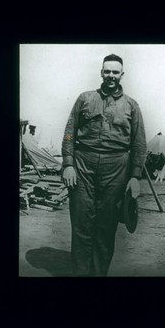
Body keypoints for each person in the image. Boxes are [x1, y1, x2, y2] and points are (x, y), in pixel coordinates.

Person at [61, 54, 147, 277]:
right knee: (81, 225)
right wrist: (68, 164)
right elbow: (70, 133)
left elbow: (138, 143)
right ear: (101, 72)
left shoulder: (132, 105)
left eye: (115, 72)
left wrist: (135, 177)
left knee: (106, 227)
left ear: (121, 75)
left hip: (116, 168)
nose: (111, 76)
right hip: (83, 165)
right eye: (107, 71)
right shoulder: (84, 99)